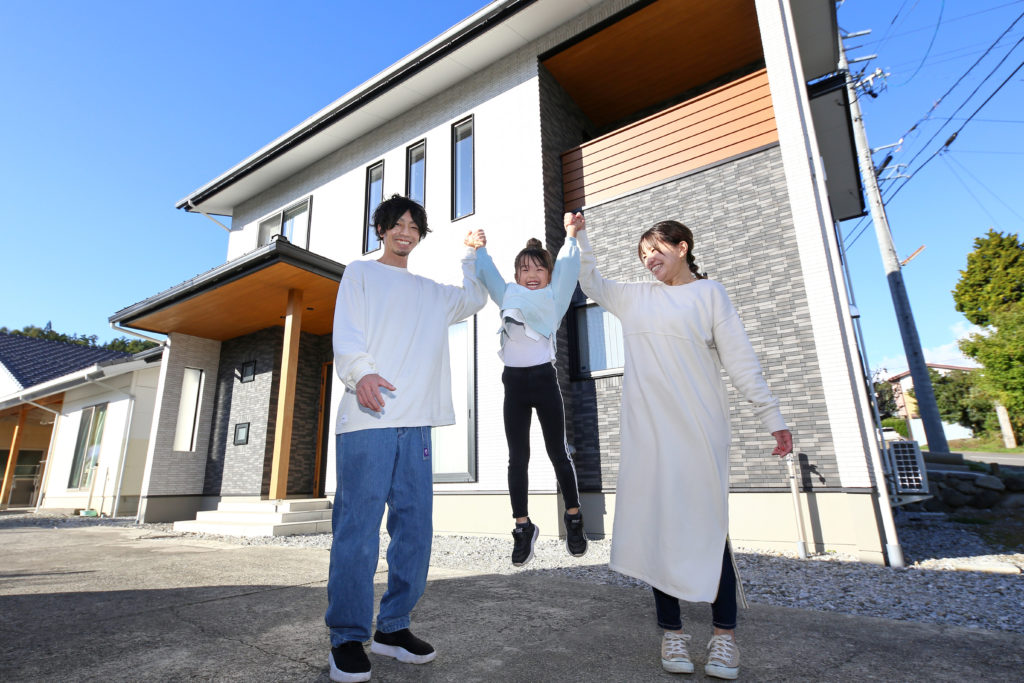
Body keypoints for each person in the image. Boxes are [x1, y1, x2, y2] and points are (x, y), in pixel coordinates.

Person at [573, 212, 792, 680]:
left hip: (699, 431)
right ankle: (672, 632)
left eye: (655, 250)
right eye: (642, 254)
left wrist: (772, 417)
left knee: (709, 529)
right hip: (650, 437)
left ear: (682, 247)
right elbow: (590, 281)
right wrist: (581, 238)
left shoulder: (710, 295)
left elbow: (741, 360)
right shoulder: (635, 297)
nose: (648, 259)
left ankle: (724, 637)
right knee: (658, 529)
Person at [326, 194, 487, 683]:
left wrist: (472, 255)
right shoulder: (360, 273)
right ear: (381, 230)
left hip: (416, 425)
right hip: (368, 418)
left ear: (420, 235)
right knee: (357, 530)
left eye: (414, 226)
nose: (405, 232)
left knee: (415, 531)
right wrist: (361, 373)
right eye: (397, 224)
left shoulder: (431, 292)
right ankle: (347, 636)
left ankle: (393, 628)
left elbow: (475, 299)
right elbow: (346, 331)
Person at [464, 224, 586, 566]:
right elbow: (489, 275)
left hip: (544, 380)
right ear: (517, 275)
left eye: (539, 269)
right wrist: (478, 249)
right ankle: (522, 526)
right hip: (514, 384)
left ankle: (574, 517)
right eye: (524, 269)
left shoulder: (554, 297)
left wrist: (572, 236)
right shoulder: (509, 295)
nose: (532, 275)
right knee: (517, 457)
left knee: (558, 452)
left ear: (548, 274)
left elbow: (568, 268)